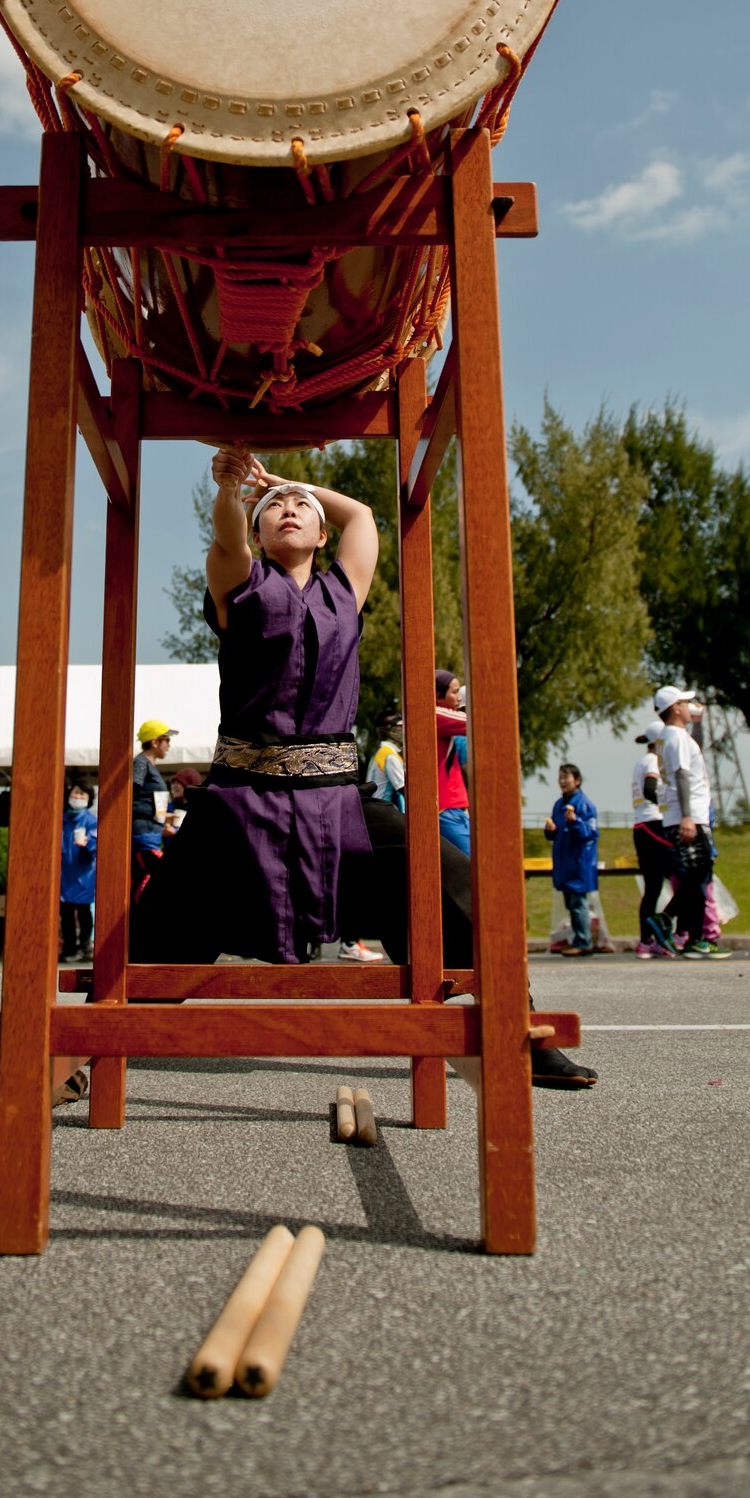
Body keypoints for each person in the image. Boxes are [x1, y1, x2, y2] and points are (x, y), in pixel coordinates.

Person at [129, 452, 595, 1085]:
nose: (287, 512)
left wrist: (286, 483)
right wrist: (236, 490)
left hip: (336, 800)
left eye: (302, 510)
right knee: (164, 918)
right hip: (241, 799)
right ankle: (98, 1037)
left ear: (323, 535)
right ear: (260, 534)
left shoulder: (343, 589)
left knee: (445, 876)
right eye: (274, 512)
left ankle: (517, 1029)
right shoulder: (237, 580)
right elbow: (225, 535)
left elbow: (365, 516)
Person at [655, 685, 732, 961]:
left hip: (685, 815)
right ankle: (693, 937)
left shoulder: (672, 738)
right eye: (685, 703)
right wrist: (688, 816)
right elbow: (682, 776)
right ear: (675, 708)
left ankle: (672, 923)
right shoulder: (676, 738)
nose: (689, 707)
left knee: (696, 875)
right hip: (689, 817)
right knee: (698, 875)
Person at [544, 763, 599, 956]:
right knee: (571, 904)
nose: (562, 781)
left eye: (566, 778)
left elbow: (591, 832)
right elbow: (556, 834)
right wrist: (551, 830)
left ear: (577, 780)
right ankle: (579, 938)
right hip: (564, 862)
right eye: (560, 778)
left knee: (578, 903)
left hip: (578, 862)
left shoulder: (584, 804)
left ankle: (584, 942)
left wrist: (575, 821)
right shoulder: (559, 805)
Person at [631, 721, 675, 957]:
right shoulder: (652, 761)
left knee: (654, 887)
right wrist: (669, 806)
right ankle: (664, 927)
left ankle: (646, 940)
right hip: (653, 824)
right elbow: (650, 789)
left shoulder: (641, 760)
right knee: (685, 874)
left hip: (641, 826)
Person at [132, 719, 174, 901]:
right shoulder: (141, 762)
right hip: (143, 832)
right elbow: (131, 793)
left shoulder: (149, 764)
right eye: (167, 741)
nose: (169, 746)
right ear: (155, 742)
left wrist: (164, 816)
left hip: (152, 831)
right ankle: (137, 919)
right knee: (151, 877)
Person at [60, 776, 98, 962]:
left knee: (84, 911)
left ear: (88, 798)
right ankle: (68, 947)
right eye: (75, 792)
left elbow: (96, 846)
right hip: (65, 872)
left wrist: (87, 844)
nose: (77, 796)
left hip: (84, 874)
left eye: (82, 793)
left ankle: (84, 947)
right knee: (65, 912)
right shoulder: (62, 819)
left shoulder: (91, 821)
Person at [435, 670, 470, 857]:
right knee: (471, 867)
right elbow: (474, 721)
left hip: (450, 807)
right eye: (455, 692)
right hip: (446, 808)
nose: (459, 698)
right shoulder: (435, 714)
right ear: (438, 696)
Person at [366, 708, 406, 812]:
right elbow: (405, 790)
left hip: (375, 811)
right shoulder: (389, 755)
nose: (403, 731)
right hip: (382, 813)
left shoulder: (381, 752)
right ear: (388, 730)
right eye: (399, 727)